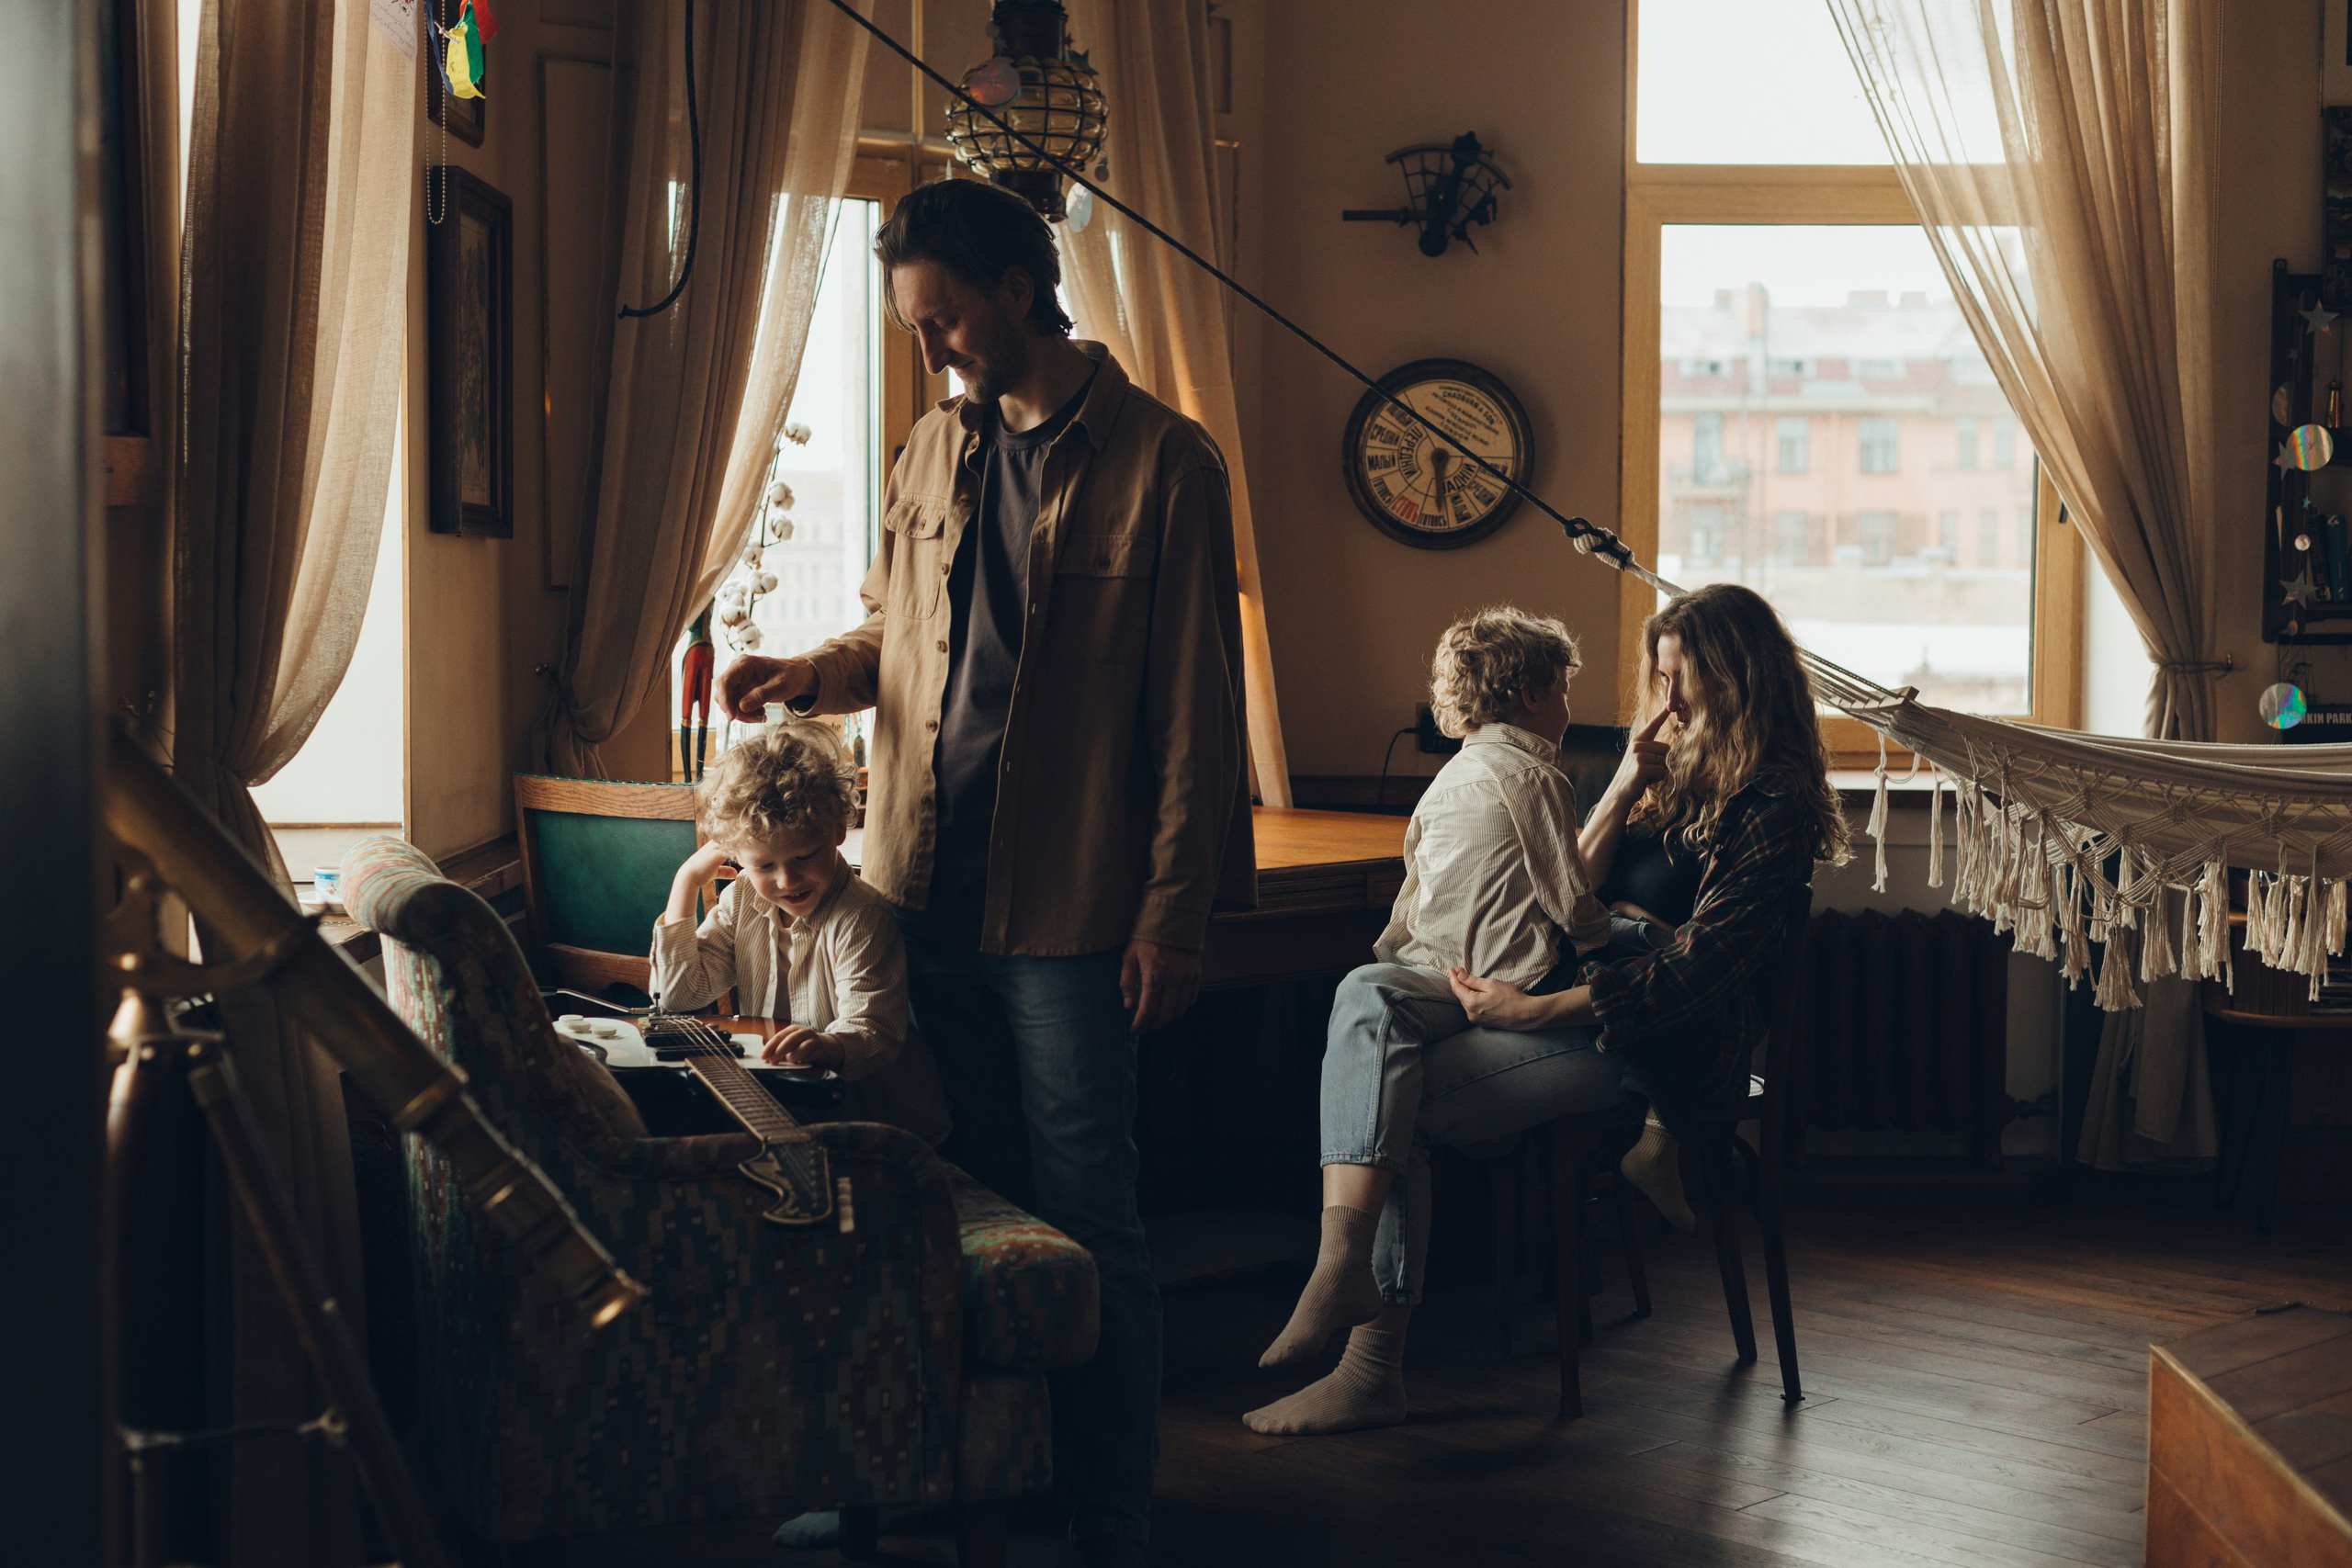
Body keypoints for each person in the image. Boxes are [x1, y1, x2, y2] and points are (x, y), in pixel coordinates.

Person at [718, 177, 1253, 1566]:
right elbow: (891, 633)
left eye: (945, 316)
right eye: (915, 323)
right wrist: (808, 675)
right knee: (932, 1195)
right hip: (908, 900)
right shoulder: (924, 454)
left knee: (1087, 1211)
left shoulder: (1168, 464)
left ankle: (1105, 1502)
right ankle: (923, 1470)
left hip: (1074, 916)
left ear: (1019, 287)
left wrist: (1173, 911)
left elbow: (1199, 714)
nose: (932, 345)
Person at [1245, 581, 1846, 1438]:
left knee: (1391, 1095)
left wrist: (1533, 1011)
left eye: (1683, 680)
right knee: (1369, 1005)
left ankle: (1371, 1366)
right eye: (1660, 677)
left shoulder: (1772, 802)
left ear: (1737, 676)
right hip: (1580, 1005)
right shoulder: (1687, 772)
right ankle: (1346, 1282)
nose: (1665, 700)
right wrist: (1632, 780)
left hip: (1652, 1040)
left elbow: (1698, 975)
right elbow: (1580, 884)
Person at [649, 720, 949, 1145]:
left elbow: (875, 1032)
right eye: (765, 866)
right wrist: (686, 883)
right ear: (736, 856)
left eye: (805, 856)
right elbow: (678, 997)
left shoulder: (861, 915)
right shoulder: (739, 901)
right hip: (786, 1109)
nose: (787, 881)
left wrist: (830, 1045)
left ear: (838, 831)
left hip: (873, 1119)